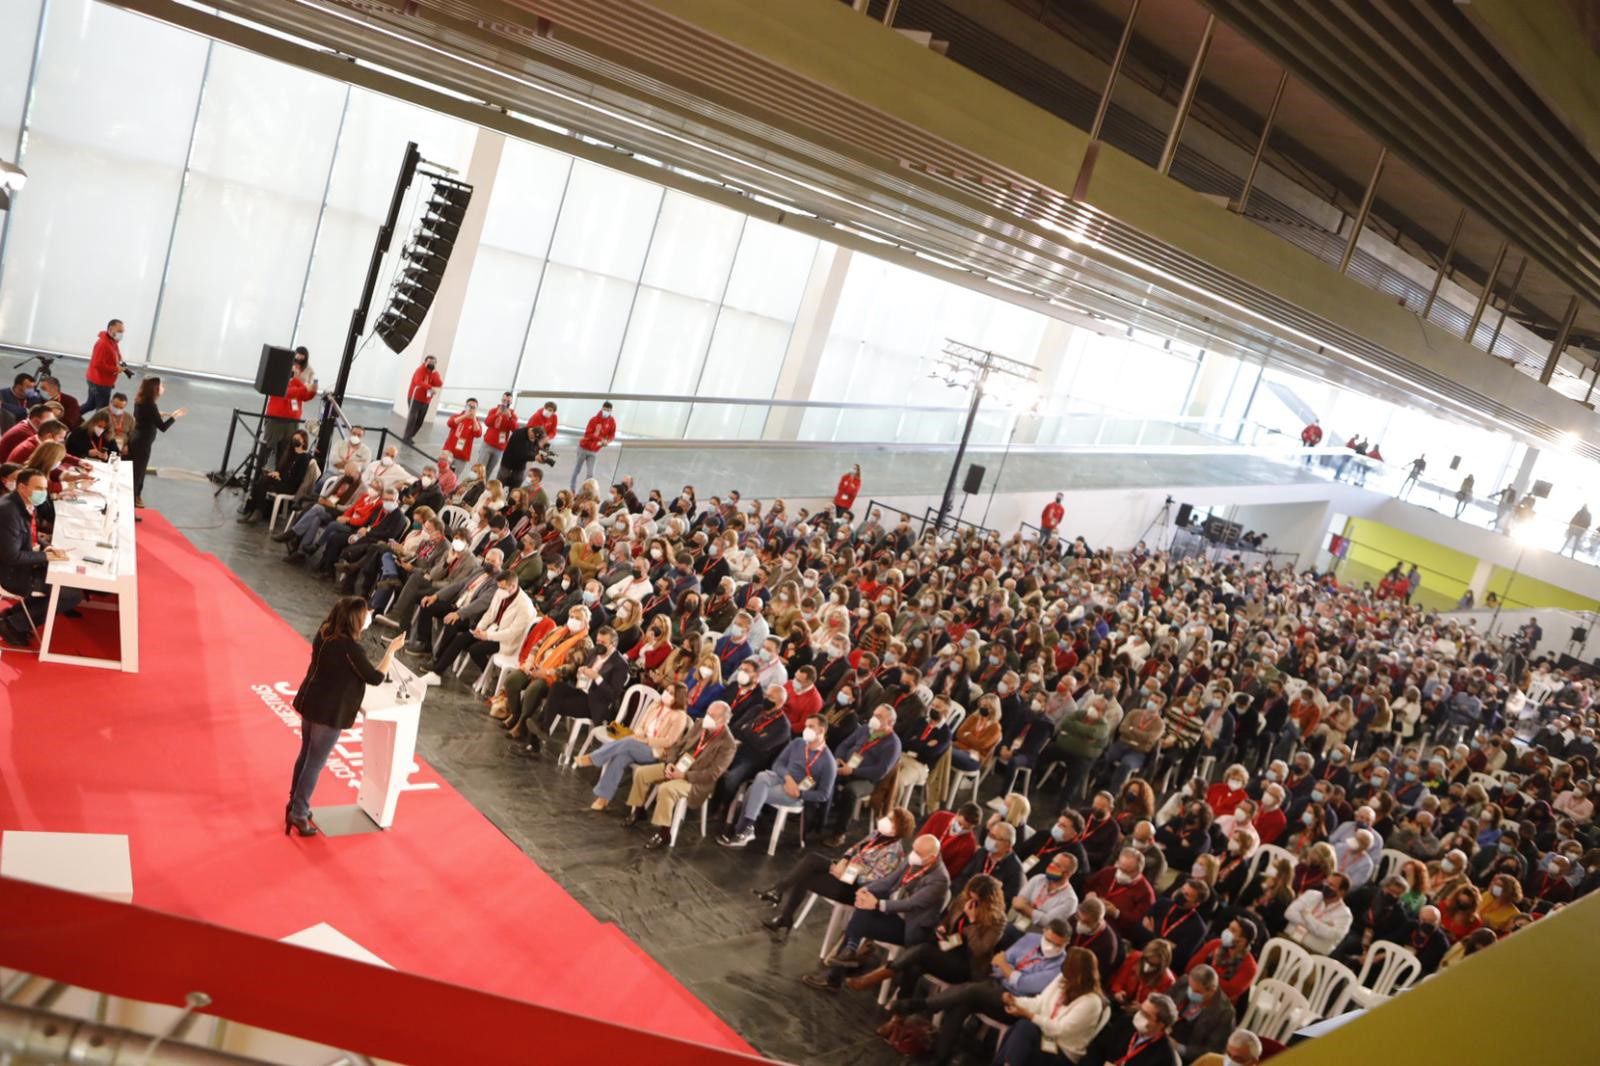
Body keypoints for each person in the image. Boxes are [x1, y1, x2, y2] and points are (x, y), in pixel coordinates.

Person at [287, 597, 405, 835]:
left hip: (311, 702)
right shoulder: (349, 647)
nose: (368, 618)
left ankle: (294, 803)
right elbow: (374, 677)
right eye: (365, 615)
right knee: (314, 763)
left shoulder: (325, 630)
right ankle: (298, 812)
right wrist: (391, 651)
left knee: (306, 754)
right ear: (355, 619)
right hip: (327, 712)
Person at [757, 806, 917, 939]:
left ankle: (780, 896)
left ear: (898, 829)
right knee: (811, 861)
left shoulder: (893, 854)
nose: (884, 820)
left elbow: (873, 881)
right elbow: (856, 847)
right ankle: (782, 905)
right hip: (846, 871)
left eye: (890, 820)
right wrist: (843, 860)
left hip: (854, 889)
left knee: (805, 873)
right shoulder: (877, 834)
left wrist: (845, 874)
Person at [0, 470, 83, 646]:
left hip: (25, 564)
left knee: (69, 582)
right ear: (22, 487)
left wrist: (49, 547)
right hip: (11, 573)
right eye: (38, 488)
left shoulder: (26, 503)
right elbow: (12, 557)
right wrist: (46, 556)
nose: (43, 493)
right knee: (71, 594)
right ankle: (14, 625)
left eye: (45, 488)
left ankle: (12, 616)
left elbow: (31, 538)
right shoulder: (8, 513)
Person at [995, 946, 1111, 1065]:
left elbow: (1059, 1029)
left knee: (1025, 1028)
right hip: (1046, 1038)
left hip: (1062, 1052)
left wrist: (1029, 1015)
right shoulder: (1063, 979)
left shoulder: (1091, 1002)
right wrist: (1015, 1001)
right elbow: (1039, 1002)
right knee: (1017, 1029)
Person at [127, 376, 185, 509]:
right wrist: (174, 416)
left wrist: (158, 414)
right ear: (155, 389)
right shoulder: (151, 405)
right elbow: (163, 427)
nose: (163, 388)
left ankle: (136, 496)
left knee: (139, 470)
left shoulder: (140, 400)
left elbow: (143, 415)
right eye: (161, 386)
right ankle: (133, 500)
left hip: (138, 438)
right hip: (142, 442)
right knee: (138, 472)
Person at [259, 347, 316, 474]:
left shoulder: (298, 380)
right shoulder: (279, 378)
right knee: (271, 446)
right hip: (276, 417)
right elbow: (286, 393)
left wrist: (313, 390)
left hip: (292, 419)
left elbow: (305, 396)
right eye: (294, 364)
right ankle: (263, 473)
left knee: (287, 448)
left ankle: (278, 474)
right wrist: (304, 388)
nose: (296, 368)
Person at [572, 400, 616, 491]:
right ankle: (572, 489)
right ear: (602, 408)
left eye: (608, 410)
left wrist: (607, 441)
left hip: (594, 451)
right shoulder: (594, 420)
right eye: (604, 409)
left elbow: (612, 435)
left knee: (590, 474)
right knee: (577, 470)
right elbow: (587, 434)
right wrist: (600, 439)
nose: (606, 411)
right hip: (583, 448)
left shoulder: (612, 421)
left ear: (611, 411)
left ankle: (583, 492)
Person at [86, 319, 128, 413]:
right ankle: (96, 426)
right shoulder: (103, 344)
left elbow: (116, 353)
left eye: (122, 332)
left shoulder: (112, 341)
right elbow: (97, 364)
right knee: (102, 411)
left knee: (90, 404)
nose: (121, 334)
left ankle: (73, 415)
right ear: (110, 329)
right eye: (119, 331)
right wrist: (116, 368)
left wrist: (120, 361)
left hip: (97, 380)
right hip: (100, 383)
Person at [403, 354, 443, 442]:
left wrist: (435, 373)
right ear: (425, 362)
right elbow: (418, 381)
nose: (431, 364)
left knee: (420, 421)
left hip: (426, 400)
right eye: (429, 362)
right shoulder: (420, 370)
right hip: (415, 398)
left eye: (433, 362)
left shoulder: (434, 373)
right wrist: (430, 388)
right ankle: (406, 437)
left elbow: (439, 383)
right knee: (412, 419)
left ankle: (410, 436)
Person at [442, 398, 482, 473]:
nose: (471, 409)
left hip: (462, 456)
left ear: (476, 409)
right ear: (465, 406)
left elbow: (478, 434)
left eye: (473, 407)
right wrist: (465, 416)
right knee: (442, 472)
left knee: (454, 477)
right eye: (469, 406)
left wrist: (474, 418)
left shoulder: (476, 422)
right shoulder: (457, 416)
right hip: (449, 452)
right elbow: (450, 423)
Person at [482, 391, 519, 469]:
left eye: (508, 401)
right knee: (480, 469)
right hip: (488, 443)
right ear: (501, 400)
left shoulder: (513, 415)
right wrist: (496, 414)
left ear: (511, 402)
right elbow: (487, 423)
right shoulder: (493, 410)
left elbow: (515, 430)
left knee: (489, 470)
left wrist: (510, 417)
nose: (505, 403)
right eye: (504, 400)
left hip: (499, 447)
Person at [1191, 1029, 1261, 1066]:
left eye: (1238, 1059)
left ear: (1253, 1062)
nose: (1230, 1061)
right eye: (1228, 1054)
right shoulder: (1209, 1060)